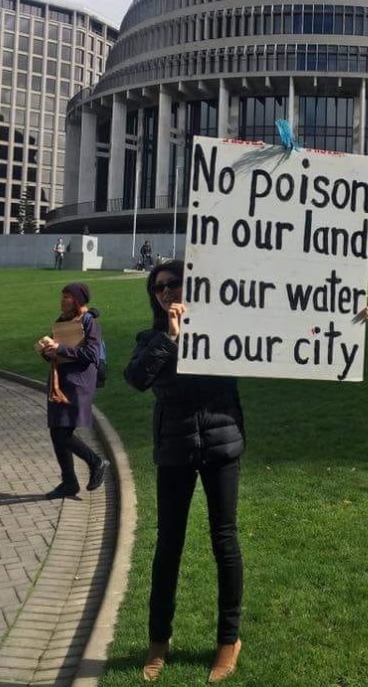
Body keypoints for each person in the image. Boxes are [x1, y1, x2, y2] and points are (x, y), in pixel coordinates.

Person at [123, 260, 246, 684]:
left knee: (224, 540)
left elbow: (284, 335)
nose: (166, 291)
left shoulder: (226, 326)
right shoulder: (152, 338)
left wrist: (347, 321)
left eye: (174, 283)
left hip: (221, 442)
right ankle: (158, 642)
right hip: (175, 449)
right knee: (168, 544)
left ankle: (228, 640)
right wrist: (171, 339)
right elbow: (136, 379)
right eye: (158, 288)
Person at [34, 283, 109, 499]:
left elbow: (91, 355)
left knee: (62, 433)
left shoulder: (89, 322)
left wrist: (60, 348)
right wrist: (46, 349)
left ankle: (96, 462)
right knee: (56, 431)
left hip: (77, 384)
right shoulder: (61, 321)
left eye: (67, 296)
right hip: (59, 382)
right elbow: (55, 352)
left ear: (77, 299)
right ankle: (69, 482)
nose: (63, 300)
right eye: (62, 296)